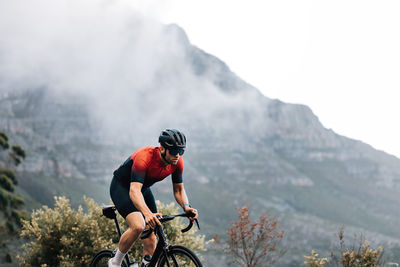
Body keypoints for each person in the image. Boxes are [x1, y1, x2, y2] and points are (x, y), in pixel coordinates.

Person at [108, 129, 198, 267]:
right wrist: (147, 214)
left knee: (151, 235)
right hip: (122, 187)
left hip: (142, 189)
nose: (178, 156)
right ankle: (115, 262)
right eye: (174, 151)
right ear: (162, 148)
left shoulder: (177, 162)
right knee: (138, 225)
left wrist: (187, 207)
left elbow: (179, 189)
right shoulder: (145, 157)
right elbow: (134, 191)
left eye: (181, 151)